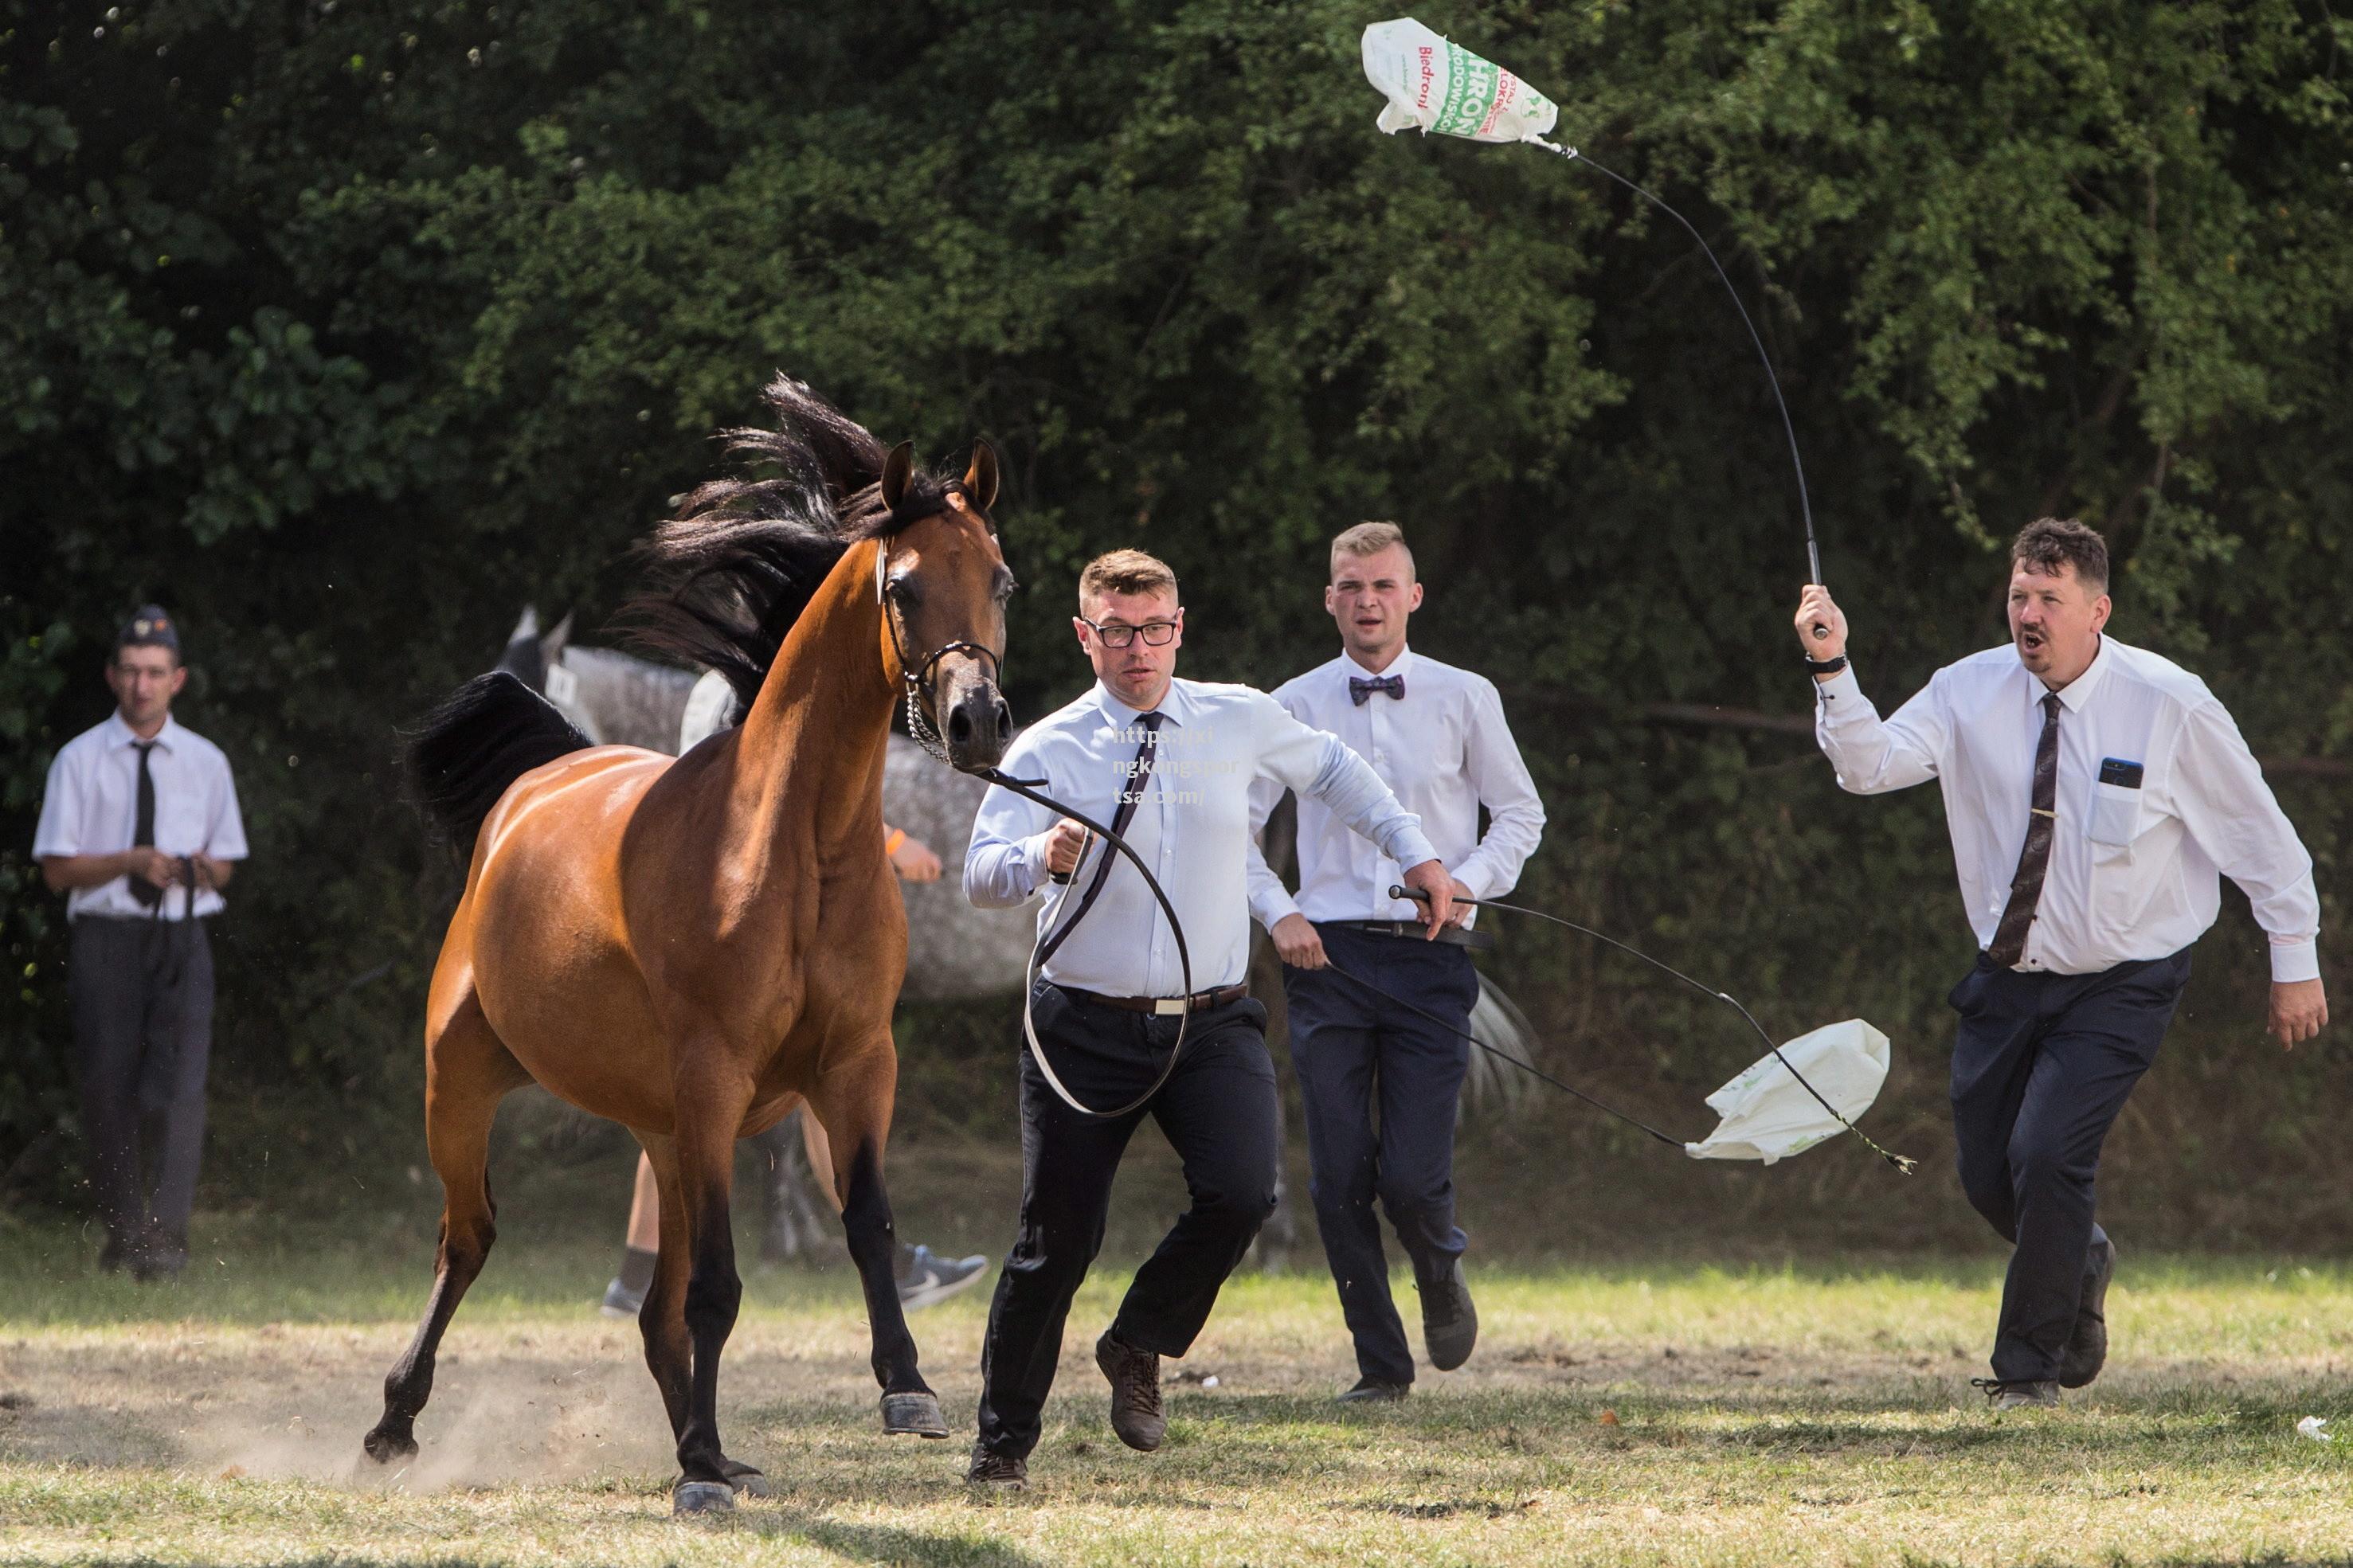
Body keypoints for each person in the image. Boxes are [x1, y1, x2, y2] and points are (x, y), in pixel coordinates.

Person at [1796, 518, 2328, 1410]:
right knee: (1984, 1172)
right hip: (2007, 974)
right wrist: (1830, 667)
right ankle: (2077, 1253)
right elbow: (1866, 766)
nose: (2027, 614)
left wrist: (2293, 958)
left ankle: (2027, 1371)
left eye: (2048, 598)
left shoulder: (2168, 704)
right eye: (2017, 596)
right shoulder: (1966, 690)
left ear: (2096, 610)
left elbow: (2259, 841)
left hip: (2125, 978)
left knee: (2047, 1155)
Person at [960, 548, 1458, 1489]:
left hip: (1212, 1020)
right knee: (1054, 1241)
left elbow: (1339, 773)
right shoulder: (1049, 745)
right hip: (1082, 1025)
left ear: (1178, 628)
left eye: (1152, 629)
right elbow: (979, 874)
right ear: (1084, 637)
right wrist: (1037, 852)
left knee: (1241, 1192)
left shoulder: (1235, 716)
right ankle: (1002, 1443)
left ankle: (1137, 1341)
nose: (1136, 649)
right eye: (1115, 632)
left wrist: (1417, 851)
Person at [1246, 522, 1545, 1402]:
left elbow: (1519, 814)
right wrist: (1281, 913)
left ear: (1412, 596)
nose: (1366, 600)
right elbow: (1240, 830)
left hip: (1430, 957)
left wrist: (1465, 881)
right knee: (1337, 1176)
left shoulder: (1464, 697)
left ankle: (1440, 1265)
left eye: (1382, 585)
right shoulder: (1290, 705)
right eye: (1350, 585)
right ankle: (1379, 1366)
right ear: (1329, 598)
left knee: (1411, 1175)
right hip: (1326, 959)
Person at [598, 666, 983, 1316]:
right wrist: (890, 841)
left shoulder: (723, 684)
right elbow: (763, 803)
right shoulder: (745, 688)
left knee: (689, 1105)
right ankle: (893, 1265)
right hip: (742, 935)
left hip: (730, 926)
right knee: (810, 1086)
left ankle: (633, 1280)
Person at [33, 606, 249, 1281]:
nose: (142, 686)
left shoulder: (207, 762)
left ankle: (168, 1237)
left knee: (182, 1088)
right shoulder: (79, 760)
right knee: (109, 1084)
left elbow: (229, 863)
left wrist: (190, 867)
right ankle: (124, 1229)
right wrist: (130, 861)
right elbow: (57, 867)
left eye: (155, 673)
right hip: (107, 938)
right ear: (112, 676)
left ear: (177, 679)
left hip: (182, 935)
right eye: (130, 671)